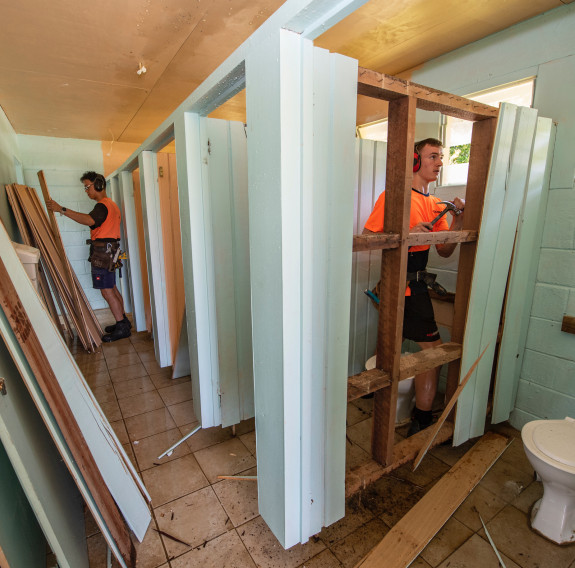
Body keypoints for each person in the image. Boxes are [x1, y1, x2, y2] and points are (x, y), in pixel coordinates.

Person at [363, 138, 465, 436]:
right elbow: (368, 239)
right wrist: (406, 234)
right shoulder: (394, 196)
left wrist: (457, 220)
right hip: (401, 286)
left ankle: (383, 395)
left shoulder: (435, 204)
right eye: (433, 156)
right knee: (432, 352)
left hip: (415, 287)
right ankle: (422, 418)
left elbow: (445, 251)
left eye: (441, 157)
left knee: (393, 341)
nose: (440, 162)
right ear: (415, 162)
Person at [46, 171, 131, 342]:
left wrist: (61, 209)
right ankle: (123, 322)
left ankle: (122, 326)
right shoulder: (111, 205)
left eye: (87, 186)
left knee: (107, 291)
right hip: (110, 252)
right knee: (112, 288)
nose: (86, 191)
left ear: (98, 184)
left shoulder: (102, 206)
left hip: (103, 254)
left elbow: (89, 221)